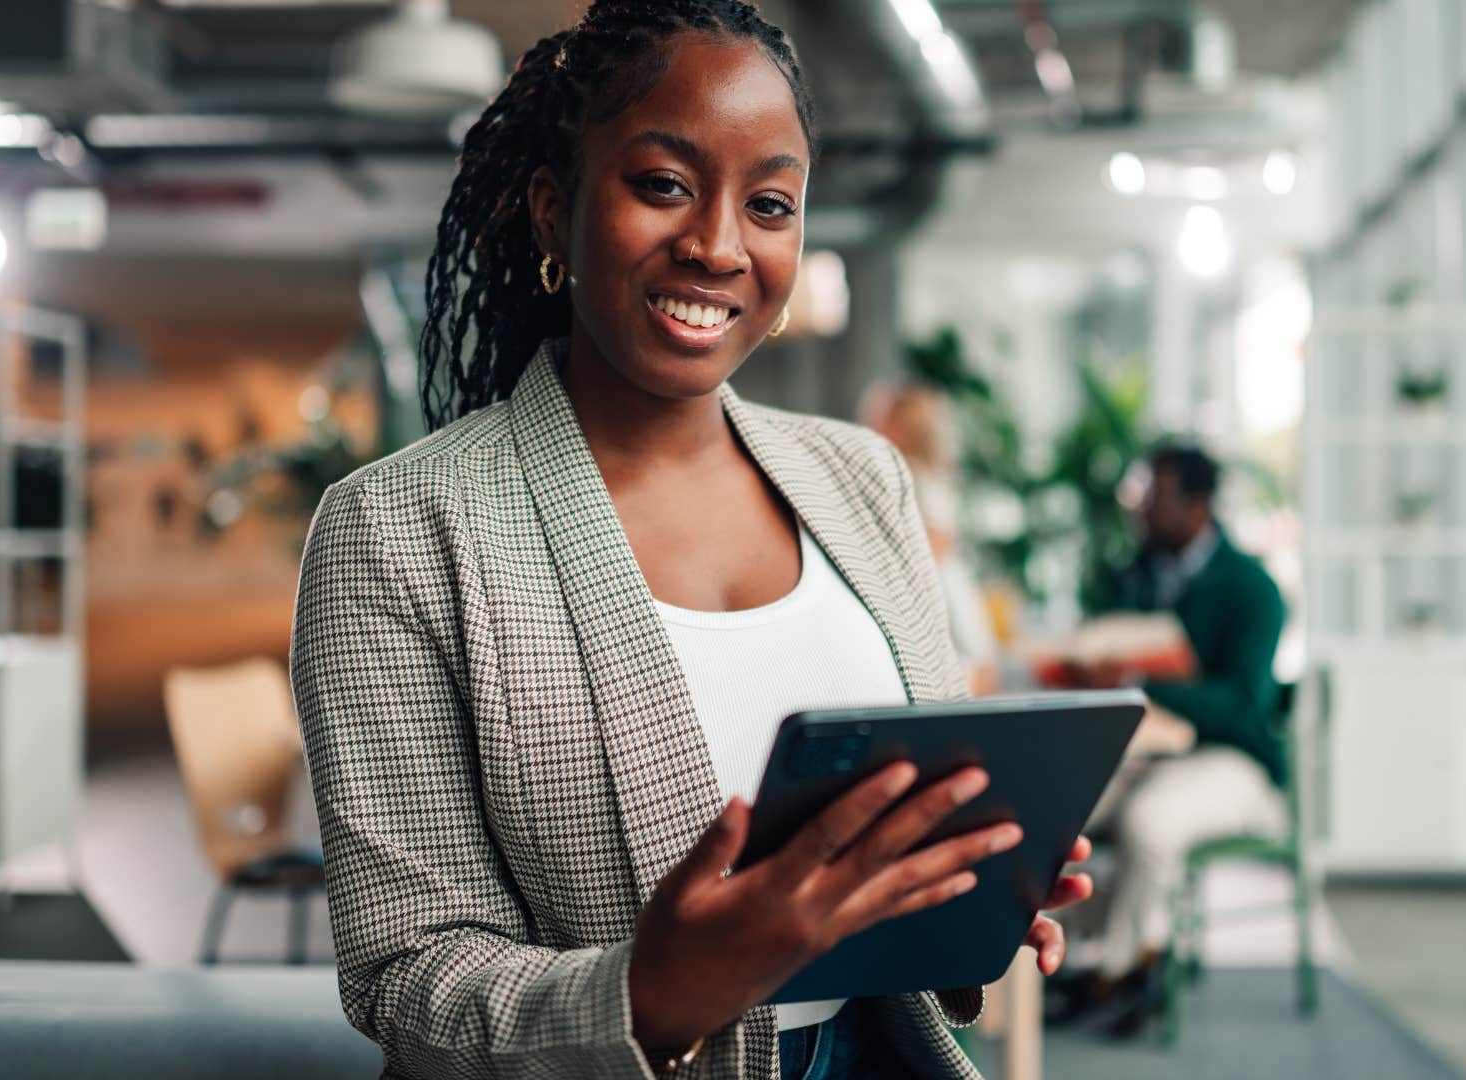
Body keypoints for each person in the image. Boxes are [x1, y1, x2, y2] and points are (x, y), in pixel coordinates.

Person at [288, 5, 1092, 1077]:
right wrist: (654, 991)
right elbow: (404, 974)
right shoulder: (399, 532)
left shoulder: (861, 480)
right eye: (663, 184)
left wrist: (962, 891)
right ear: (550, 210)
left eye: (768, 204)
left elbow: (898, 828)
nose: (718, 245)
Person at [1059, 442, 1288, 1029]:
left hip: (1232, 761)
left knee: (1149, 822)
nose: (1141, 509)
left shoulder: (1252, 588)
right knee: (1055, 803)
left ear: (1198, 507)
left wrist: (1143, 680)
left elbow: (1243, 706)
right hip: (1141, 753)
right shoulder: (1126, 574)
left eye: (1155, 497)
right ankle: (1086, 953)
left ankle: (1125, 967)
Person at [859, 382, 1002, 696]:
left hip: (935, 588)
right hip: (945, 584)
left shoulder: (915, 477)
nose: (870, 426)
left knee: (961, 666)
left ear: (903, 427)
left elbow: (938, 540)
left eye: (883, 419)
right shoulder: (930, 476)